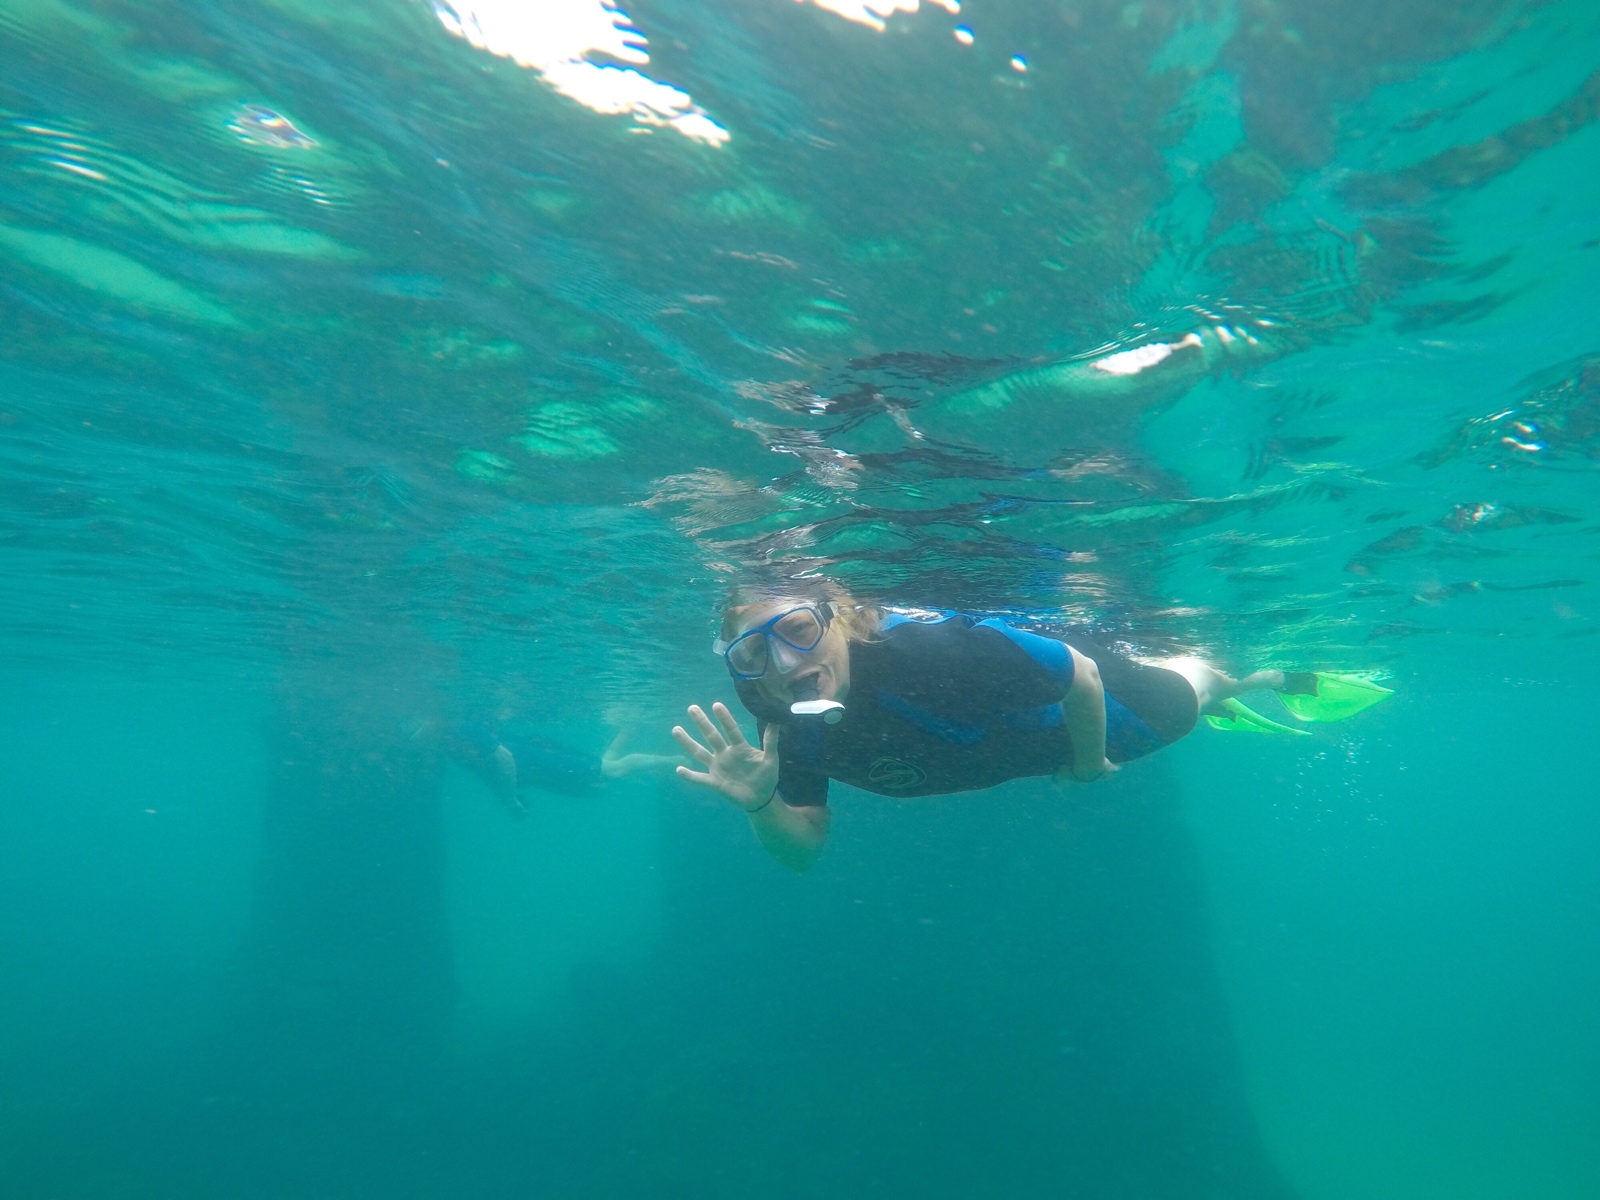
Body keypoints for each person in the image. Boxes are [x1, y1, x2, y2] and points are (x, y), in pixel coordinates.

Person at [671, 589, 1389, 871]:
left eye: (797, 629)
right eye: (756, 651)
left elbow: (1079, 674)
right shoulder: (786, 729)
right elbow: (804, 853)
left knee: (1189, 696)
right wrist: (764, 804)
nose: (787, 660)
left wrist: (1088, 764)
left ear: (835, 618)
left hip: (1106, 714)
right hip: (1025, 741)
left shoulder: (935, 650)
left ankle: (1244, 678)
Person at [434, 721, 683, 814]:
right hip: (537, 771)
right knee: (601, 785)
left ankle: (672, 761)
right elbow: (489, 772)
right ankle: (626, 731)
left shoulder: (459, 730)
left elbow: (505, 758)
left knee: (613, 771)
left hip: (539, 762)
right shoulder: (449, 747)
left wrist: (509, 799)